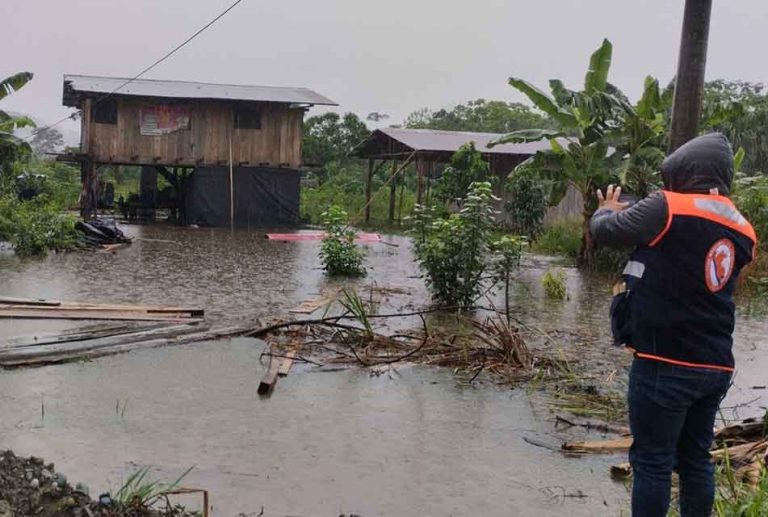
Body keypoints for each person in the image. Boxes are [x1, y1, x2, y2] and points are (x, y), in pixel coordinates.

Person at [589, 133, 757, 517]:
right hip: (715, 364)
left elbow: (607, 232)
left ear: (684, 171)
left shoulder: (668, 205)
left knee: (652, 461)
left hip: (663, 360)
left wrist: (606, 209)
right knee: (695, 460)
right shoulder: (744, 227)